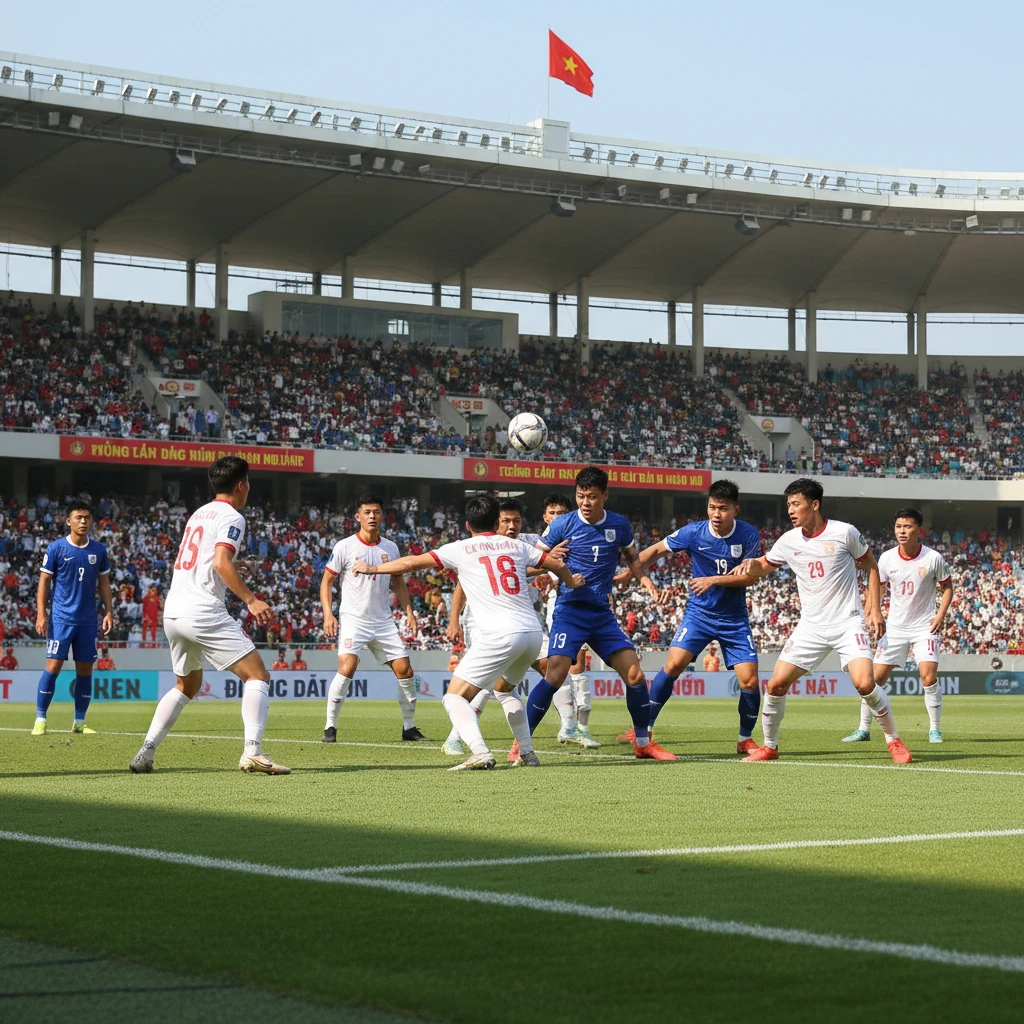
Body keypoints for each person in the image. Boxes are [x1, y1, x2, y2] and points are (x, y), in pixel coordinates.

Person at [353, 494, 584, 770]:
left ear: (467, 524)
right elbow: (555, 563)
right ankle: (527, 752)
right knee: (504, 690)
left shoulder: (460, 548)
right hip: (532, 634)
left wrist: (373, 568)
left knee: (453, 697)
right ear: (495, 520)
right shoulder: (516, 546)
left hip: (501, 635)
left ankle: (479, 751)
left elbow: (411, 563)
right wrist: (572, 581)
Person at [732, 478, 912, 764]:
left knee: (865, 683)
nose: (790, 510)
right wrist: (752, 565)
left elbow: (871, 565)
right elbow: (765, 565)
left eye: (796, 504)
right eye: (788, 505)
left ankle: (894, 740)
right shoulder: (788, 540)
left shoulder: (844, 533)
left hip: (847, 623)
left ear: (814, 505)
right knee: (776, 685)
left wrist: (873, 606)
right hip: (811, 627)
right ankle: (770, 746)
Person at [130, 456, 288, 774]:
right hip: (201, 610)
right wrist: (251, 600)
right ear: (241, 485)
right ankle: (253, 752)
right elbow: (219, 563)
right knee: (257, 675)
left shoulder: (199, 514)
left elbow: (207, 559)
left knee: (186, 686)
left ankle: (146, 752)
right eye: (249, 482)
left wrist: (231, 567)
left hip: (173, 610)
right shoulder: (233, 516)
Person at [521, 466, 676, 761]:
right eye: (581, 496)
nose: (586, 503)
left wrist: (642, 578)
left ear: (605, 495)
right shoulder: (561, 525)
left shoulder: (619, 525)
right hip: (570, 611)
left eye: (592, 496)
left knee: (635, 674)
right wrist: (550, 563)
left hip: (601, 615)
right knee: (555, 675)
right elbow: (529, 564)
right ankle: (522, 743)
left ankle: (642, 742)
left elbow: (632, 559)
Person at [614, 480, 763, 753]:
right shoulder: (694, 533)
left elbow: (750, 578)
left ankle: (745, 739)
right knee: (673, 665)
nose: (717, 514)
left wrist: (713, 580)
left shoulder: (749, 535)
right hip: (700, 614)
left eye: (723, 509)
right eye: (712, 507)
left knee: (750, 680)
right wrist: (629, 572)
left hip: (733, 618)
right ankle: (643, 730)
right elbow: (657, 549)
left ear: (736, 510)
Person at [319, 493, 424, 744]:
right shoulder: (345, 546)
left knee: (405, 670)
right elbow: (327, 581)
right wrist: (328, 614)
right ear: (358, 517)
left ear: (382, 516)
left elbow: (398, 581)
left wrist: (409, 611)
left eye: (376, 512)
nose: (372, 516)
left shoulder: (390, 547)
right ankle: (330, 726)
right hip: (354, 618)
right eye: (367, 512)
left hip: (383, 620)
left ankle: (409, 728)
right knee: (347, 667)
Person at [843, 507, 953, 745]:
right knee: (874, 680)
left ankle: (934, 729)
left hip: (925, 626)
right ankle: (864, 729)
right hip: (895, 628)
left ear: (918, 530)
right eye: (899, 527)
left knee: (928, 676)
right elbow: (877, 587)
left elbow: (947, 587)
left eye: (908, 526)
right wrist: (874, 611)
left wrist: (940, 614)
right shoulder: (887, 558)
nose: (902, 531)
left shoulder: (933, 558)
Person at [32, 501, 113, 736]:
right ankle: (40, 718)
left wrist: (108, 611)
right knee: (53, 666)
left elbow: (104, 583)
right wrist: (41, 613)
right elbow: (44, 582)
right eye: (78, 517)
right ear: (69, 521)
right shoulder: (56, 548)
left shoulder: (98, 550)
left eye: (87, 517)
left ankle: (79, 721)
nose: (83, 522)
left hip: (87, 621)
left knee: (86, 670)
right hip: (61, 619)